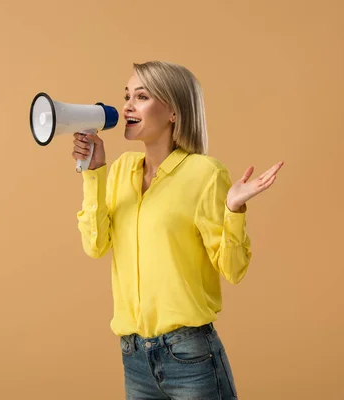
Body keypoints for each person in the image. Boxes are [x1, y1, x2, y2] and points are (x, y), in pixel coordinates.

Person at [72, 61, 284, 400]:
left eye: (141, 96)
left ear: (173, 111)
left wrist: (233, 210)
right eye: (127, 95)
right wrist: (93, 172)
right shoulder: (122, 169)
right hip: (134, 357)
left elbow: (233, 269)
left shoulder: (204, 173)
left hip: (190, 355)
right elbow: (95, 245)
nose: (127, 105)